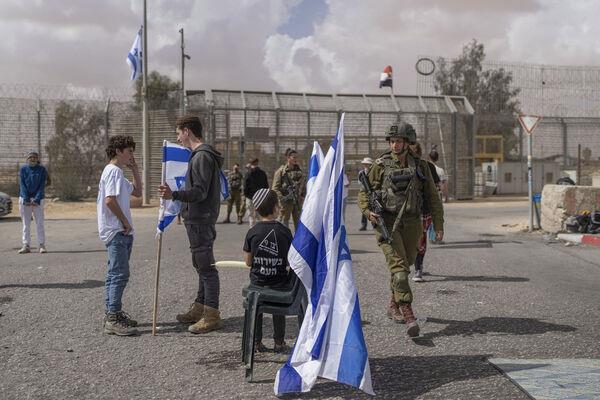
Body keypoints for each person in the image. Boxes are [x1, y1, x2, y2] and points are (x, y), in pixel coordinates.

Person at [358, 122, 444, 337]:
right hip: (388, 224)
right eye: (392, 141)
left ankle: (392, 305)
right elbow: (363, 194)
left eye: (399, 141)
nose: (395, 145)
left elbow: (433, 198)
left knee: (406, 265)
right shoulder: (381, 165)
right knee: (398, 269)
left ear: (407, 142)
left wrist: (439, 224)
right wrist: (369, 212)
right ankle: (408, 314)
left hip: (413, 224)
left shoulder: (421, 167)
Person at [158, 115, 225, 334]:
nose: (178, 138)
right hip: (197, 219)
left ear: (187, 131)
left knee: (206, 267)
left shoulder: (201, 157)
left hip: (201, 219)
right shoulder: (199, 156)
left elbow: (200, 192)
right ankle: (200, 307)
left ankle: (211, 314)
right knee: (200, 265)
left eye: (178, 133)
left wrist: (174, 194)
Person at [97, 135, 142, 336]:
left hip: (119, 231)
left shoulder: (117, 174)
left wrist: (134, 170)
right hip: (117, 231)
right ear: (118, 151)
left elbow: (138, 193)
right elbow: (109, 201)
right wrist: (125, 222)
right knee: (119, 274)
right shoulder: (113, 171)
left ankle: (112, 313)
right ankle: (113, 317)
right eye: (129, 151)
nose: (131, 155)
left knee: (114, 274)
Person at [243, 189, 293, 353]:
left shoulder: (252, 232)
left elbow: (248, 262)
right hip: (279, 286)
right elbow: (289, 261)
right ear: (276, 207)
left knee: (256, 306)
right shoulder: (285, 232)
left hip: (258, 285)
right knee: (278, 310)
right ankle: (279, 342)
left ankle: (256, 343)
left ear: (256, 210)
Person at [410, 142, 441, 282]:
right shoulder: (400, 166)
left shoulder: (428, 167)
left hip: (422, 210)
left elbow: (436, 190)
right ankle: (413, 266)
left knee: (419, 239)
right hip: (406, 210)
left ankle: (418, 267)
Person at [18, 150, 49, 254]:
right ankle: (26, 245)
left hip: (38, 200)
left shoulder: (42, 170)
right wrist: (26, 199)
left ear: (38, 159)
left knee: (39, 223)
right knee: (26, 224)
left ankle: (41, 245)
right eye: (31, 157)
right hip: (25, 199)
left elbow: (42, 186)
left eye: (35, 157)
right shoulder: (23, 169)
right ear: (27, 159)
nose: (33, 159)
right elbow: (22, 184)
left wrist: (36, 199)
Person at [272, 148, 305, 231]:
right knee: (284, 223)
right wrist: (282, 198)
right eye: (293, 157)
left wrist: (302, 195)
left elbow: (303, 185)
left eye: (296, 157)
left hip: (297, 201)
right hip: (286, 202)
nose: (295, 159)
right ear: (288, 158)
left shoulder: (299, 171)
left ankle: (298, 242)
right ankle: (285, 240)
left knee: (299, 223)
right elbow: (275, 188)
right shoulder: (281, 172)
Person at [243, 158, 269, 227]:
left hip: (250, 197)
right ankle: (261, 231)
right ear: (257, 163)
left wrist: (247, 195)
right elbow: (266, 186)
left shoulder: (248, 173)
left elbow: (245, 186)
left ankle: (252, 231)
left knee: (251, 216)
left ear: (250, 163)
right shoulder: (262, 173)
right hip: (260, 197)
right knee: (260, 216)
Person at [358, 157, 373, 231]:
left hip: (373, 192)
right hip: (365, 192)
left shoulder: (373, 172)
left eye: (368, 164)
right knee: (365, 209)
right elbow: (359, 182)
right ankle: (364, 225)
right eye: (365, 164)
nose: (366, 165)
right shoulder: (361, 173)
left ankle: (375, 225)